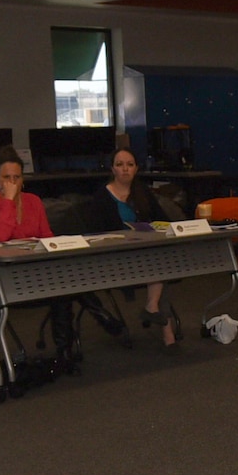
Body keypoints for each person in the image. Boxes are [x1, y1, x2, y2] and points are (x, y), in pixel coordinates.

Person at [79, 147, 178, 351]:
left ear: (136, 169)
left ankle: (155, 311)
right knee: (161, 267)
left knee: (162, 263)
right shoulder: (102, 196)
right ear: (113, 169)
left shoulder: (142, 192)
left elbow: (163, 220)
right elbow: (93, 234)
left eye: (130, 165)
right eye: (120, 165)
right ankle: (165, 329)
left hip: (144, 253)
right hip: (115, 257)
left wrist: (154, 228)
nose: (125, 169)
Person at [0, 147, 52, 243]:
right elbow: (0, 237)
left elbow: (48, 237)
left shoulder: (34, 200)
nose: (12, 182)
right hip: (4, 256)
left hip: (34, 256)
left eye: (17, 177)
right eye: (6, 177)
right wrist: (9, 200)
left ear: (22, 179)